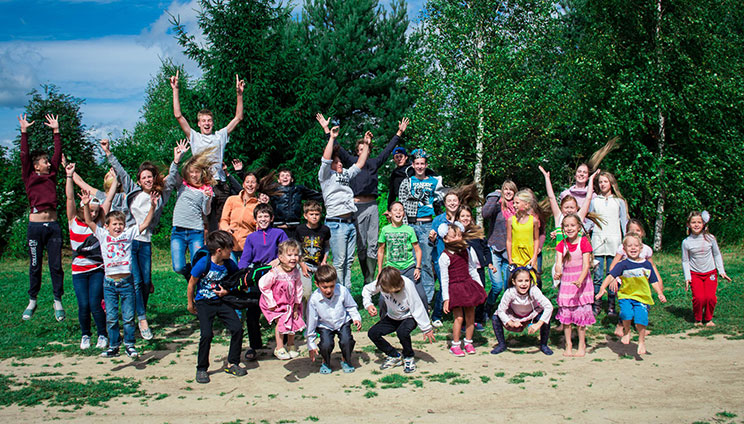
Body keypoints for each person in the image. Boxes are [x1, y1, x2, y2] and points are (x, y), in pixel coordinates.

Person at [317, 114, 409, 285]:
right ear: (356, 152)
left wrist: (399, 133)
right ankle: (363, 276)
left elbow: (388, 150)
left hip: (372, 206)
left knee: (373, 244)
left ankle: (370, 278)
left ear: (368, 150)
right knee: (361, 245)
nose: (361, 152)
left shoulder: (374, 163)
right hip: (356, 207)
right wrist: (326, 130)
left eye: (364, 149)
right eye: (359, 150)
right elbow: (335, 147)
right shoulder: (351, 164)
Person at [97, 139, 172, 341]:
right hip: (129, 241)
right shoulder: (132, 190)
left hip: (145, 242)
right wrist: (108, 153)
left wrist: (176, 159)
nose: (147, 180)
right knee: (137, 281)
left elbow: (173, 179)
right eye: (144, 177)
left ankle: (140, 314)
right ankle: (142, 319)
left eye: (150, 177)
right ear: (138, 181)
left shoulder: (160, 195)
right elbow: (120, 172)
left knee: (146, 282)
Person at [81, 185, 159, 359]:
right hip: (109, 284)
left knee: (129, 317)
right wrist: (86, 205)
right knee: (111, 318)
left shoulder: (129, 234)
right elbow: (89, 222)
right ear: (107, 226)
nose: (118, 227)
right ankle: (114, 345)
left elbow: (145, 223)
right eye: (114, 224)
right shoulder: (102, 235)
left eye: (121, 224)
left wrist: (153, 206)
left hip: (126, 283)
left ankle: (130, 345)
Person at [170, 70, 245, 231]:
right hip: (202, 184)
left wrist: (239, 94)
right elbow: (178, 116)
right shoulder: (194, 137)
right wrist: (175, 90)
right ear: (198, 123)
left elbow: (238, 117)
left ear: (213, 122)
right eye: (203, 121)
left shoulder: (220, 136)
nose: (206, 123)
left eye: (209, 120)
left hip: (219, 183)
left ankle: (225, 253)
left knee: (223, 223)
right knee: (206, 224)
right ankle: (206, 252)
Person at [19, 114, 66, 321]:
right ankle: (32, 300)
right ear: (36, 166)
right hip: (35, 228)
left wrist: (56, 131)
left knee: (56, 265)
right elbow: (24, 155)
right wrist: (24, 132)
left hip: (53, 226)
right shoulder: (29, 176)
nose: (48, 163)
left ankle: (57, 300)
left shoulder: (52, 175)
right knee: (35, 264)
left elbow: (58, 154)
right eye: (44, 162)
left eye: (48, 162)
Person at [65, 162, 114, 350]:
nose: (92, 214)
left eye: (95, 211)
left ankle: (103, 334)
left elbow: (108, 199)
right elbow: (70, 198)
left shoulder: (100, 224)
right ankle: (86, 334)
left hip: (96, 270)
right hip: (78, 270)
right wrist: (69, 176)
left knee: (95, 303)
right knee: (83, 304)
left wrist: (115, 179)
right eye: (90, 210)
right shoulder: (73, 221)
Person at [187, 230, 246, 383]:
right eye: (229, 248)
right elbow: (192, 283)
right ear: (219, 250)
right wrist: (190, 303)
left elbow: (235, 279)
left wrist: (232, 289)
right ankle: (201, 368)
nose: (231, 251)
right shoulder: (203, 263)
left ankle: (232, 363)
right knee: (206, 334)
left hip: (222, 301)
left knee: (237, 328)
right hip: (204, 302)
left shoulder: (229, 263)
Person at [317, 122, 369, 289]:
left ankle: (346, 296)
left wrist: (367, 145)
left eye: (341, 163)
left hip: (350, 223)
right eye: (337, 162)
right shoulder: (326, 176)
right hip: (335, 224)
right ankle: (339, 295)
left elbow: (360, 164)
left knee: (348, 262)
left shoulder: (345, 174)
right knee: (339, 263)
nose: (340, 164)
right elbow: (325, 160)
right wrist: (331, 138)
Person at [597, 233, 666, 355]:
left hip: (642, 297)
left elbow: (653, 281)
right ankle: (627, 331)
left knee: (641, 319)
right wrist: (603, 288)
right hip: (626, 296)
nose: (633, 248)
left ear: (641, 248)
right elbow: (610, 276)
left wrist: (659, 292)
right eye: (629, 246)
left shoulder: (646, 265)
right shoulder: (622, 264)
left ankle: (641, 341)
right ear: (624, 249)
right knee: (626, 314)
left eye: (636, 246)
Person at [363, 267, 436, 373]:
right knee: (373, 333)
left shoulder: (408, 284)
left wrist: (426, 328)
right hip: (393, 316)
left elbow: (417, 306)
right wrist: (368, 305)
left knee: (402, 332)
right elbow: (367, 290)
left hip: (409, 316)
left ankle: (408, 357)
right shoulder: (381, 282)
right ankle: (394, 355)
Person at [398, 148, 444, 309]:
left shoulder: (434, 181)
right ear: (413, 164)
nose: (419, 166)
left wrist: (437, 227)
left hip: (427, 224)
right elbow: (402, 205)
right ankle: (410, 297)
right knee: (410, 263)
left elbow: (441, 206)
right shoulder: (407, 182)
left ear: (426, 164)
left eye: (422, 164)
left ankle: (427, 300)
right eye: (417, 163)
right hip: (411, 224)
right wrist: (403, 228)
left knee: (425, 263)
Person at [438, 223, 487, 357]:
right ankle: (455, 344)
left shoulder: (466, 251)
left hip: (467, 285)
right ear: (446, 239)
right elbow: (444, 279)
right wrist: (446, 299)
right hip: (455, 289)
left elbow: (472, 269)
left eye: (460, 235)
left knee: (471, 316)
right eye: (454, 236)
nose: (458, 238)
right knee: (459, 317)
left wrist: (480, 287)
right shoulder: (445, 257)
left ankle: (468, 342)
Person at [167, 141, 214, 280]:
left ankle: (196, 291)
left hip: (196, 231)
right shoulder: (182, 185)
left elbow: (206, 212)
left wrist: (207, 198)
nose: (194, 175)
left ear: (201, 173)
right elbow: (172, 174)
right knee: (178, 267)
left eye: (197, 172)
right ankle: (189, 275)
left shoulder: (206, 189)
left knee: (198, 264)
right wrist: (177, 160)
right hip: (178, 231)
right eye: (191, 172)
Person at [306, 265, 362, 374]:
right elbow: (311, 322)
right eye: (325, 287)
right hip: (325, 325)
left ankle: (346, 359)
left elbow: (351, 306)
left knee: (347, 340)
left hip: (342, 321)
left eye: (332, 286)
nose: (329, 290)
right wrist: (310, 343)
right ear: (317, 284)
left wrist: (356, 318)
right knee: (326, 344)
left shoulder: (342, 291)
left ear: (335, 282)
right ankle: (325, 361)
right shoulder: (314, 299)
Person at [553, 214, 595, 357]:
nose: (569, 228)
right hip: (566, 284)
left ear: (578, 227)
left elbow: (586, 265)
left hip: (581, 285)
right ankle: (568, 344)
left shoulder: (584, 242)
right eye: (566, 226)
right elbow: (559, 264)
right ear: (563, 229)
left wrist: (580, 280)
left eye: (572, 225)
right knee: (566, 318)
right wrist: (557, 273)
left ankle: (581, 344)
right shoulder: (561, 245)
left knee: (580, 317)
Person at [681, 211, 731, 327]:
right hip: (695, 274)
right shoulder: (686, 242)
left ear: (704, 224)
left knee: (710, 298)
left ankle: (708, 319)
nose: (696, 225)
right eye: (693, 222)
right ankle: (698, 319)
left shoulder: (710, 238)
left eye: (699, 222)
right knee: (699, 298)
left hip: (710, 273)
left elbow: (717, 254)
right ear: (688, 224)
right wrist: (687, 277)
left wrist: (721, 271)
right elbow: (685, 261)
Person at [589, 171, 629, 315]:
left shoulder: (619, 201)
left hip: (615, 241)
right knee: (598, 275)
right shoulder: (595, 201)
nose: (603, 184)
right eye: (600, 182)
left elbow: (624, 222)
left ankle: (611, 305)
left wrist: (627, 241)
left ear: (611, 183)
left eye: (605, 181)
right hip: (598, 241)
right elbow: (589, 221)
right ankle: (596, 305)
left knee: (612, 274)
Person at [258, 240, 305, 360]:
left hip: (291, 302)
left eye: (295, 255)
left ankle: (290, 344)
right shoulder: (275, 273)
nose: (293, 258)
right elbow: (263, 285)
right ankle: (279, 347)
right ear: (281, 257)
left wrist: (296, 305)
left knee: (293, 321)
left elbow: (298, 288)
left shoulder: (295, 272)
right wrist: (271, 302)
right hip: (278, 303)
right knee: (281, 323)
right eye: (289, 255)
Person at [491, 268, 554, 356]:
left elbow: (549, 306)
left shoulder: (534, 290)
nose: (524, 284)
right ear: (514, 282)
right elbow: (501, 310)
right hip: (514, 315)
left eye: (527, 281)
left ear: (531, 281)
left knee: (544, 317)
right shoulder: (510, 292)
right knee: (495, 317)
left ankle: (543, 345)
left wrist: (538, 324)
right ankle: (502, 344)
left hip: (531, 314)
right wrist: (511, 323)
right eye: (520, 281)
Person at [376, 201, 425, 307]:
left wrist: (417, 268)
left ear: (404, 214)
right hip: (391, 269)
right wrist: (380, 271)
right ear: (390, 214)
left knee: (421, 295)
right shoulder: (385, 230)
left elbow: (418, 250)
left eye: (401, 210)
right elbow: (381, 251)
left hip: (409, 268)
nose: (398, 212)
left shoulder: (409, 230)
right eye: (395, 210)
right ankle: (384, 321)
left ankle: (424, 322)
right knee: (382, 299)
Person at [481, 180, 517, 324]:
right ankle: (487, 309)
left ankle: (504, 312)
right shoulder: (496, 204)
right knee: (497, 285)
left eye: (511, 190)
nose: (508, 192)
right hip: (495, 249)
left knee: (509, 286)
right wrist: (494, 195)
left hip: (510, 252)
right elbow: (485, 213)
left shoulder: (518, 206)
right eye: (505, 189)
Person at [220, 170, 276, 261]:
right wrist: (227, 229)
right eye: (247, 182)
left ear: (257, 186)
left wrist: (265, 207)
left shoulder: (258, 205)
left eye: (253, 182)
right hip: (229, 244)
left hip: (247, 246)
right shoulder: (231, 200)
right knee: (232, 273)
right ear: (243, 184)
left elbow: (261, 226)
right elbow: (223, 220)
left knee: (244, 272)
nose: (250, 185)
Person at [455, 206, 494, 331]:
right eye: (462, 216)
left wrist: (489, 263)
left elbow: (486, 249)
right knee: (465, 295)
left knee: (480, 293)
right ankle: (464, 322)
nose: (465, 218)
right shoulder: (456, 232)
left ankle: (478, 319)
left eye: (467, 216)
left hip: (478, 268)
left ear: (471, 217)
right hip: (463, 269)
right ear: (458, 218)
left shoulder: (476, 232)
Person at [539, 165, 601, 242]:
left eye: (572, 208)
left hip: (576, 254)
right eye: (566, 207)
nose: (569, 210)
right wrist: (547, 178)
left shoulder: (579, 217)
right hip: (560, 254)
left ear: (576, 208)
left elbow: (588, 198)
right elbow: (551, 198)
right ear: (561, 208)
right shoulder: (559, 217)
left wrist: (591, 179)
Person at [271, 168, 323, 241]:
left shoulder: (298, 189)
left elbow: (316, 195)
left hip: (294, 227)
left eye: (287, 175)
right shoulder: (273, 191)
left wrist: (330, 197)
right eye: (282, 175)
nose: (285, 177)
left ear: (292, 179)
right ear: (278, 180)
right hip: (278, 227)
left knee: (295, 250)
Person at [295, 200, 331, 301]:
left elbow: (327, 246)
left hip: (319, 264)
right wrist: (302, 265)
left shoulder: (325, 230)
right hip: (305, 264)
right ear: (305, 216)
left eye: (317, 214)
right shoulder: (300, 229)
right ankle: (306, 316)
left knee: (327, 289)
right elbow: (296, 249)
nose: (314, 217)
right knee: (306, 293)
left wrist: (324, 260)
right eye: (311, 214)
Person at [506, 190, 540, 276]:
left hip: (529, 256)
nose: (514, 205)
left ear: (526, 204)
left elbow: (536, 239)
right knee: (516, 279)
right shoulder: (511, 220)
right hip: (516, 256)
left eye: (517, 203)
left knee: (531, 279)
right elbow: (509, 240)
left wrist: (534, 257)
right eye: (514, 203)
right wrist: (510, 259)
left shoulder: (534, 221)